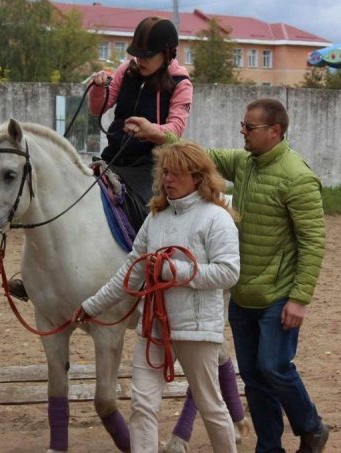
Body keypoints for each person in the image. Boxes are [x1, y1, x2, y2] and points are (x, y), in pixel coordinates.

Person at [125, 98, 330, 453]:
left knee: (273, 366)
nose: (242, 132)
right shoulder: (247, 163)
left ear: (275, 131)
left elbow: (313, 241)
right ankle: (269, 447)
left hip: (278, 293)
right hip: (241, 291)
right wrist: (156, 134)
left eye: (249, 127)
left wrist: (299, 298)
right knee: (252, 375)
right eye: (243, 125)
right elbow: (197, 157)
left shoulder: (299, 177)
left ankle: (311, 426)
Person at [75, 140, 241, 453]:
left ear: (197, 176)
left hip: (197, 330)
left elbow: (228, 273)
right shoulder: (155, 218)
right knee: (142, 406)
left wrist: (171, 272)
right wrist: (90, 306)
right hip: (154, 326)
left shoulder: (217, 219)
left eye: (175, 173)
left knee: (211, 407)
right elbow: (130, 272)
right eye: (165, 172)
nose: (167, 179)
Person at [89, 16, 193, 207]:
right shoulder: (125, 71)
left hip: (151, 168)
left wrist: (150, 130)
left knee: (143, 213)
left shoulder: (181, 84)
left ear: (167, 53)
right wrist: (97, 89)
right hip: (112, 158)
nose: (140, 60)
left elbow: (175, 130)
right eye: (138, 54)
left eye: (148, 55)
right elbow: (97, 109)